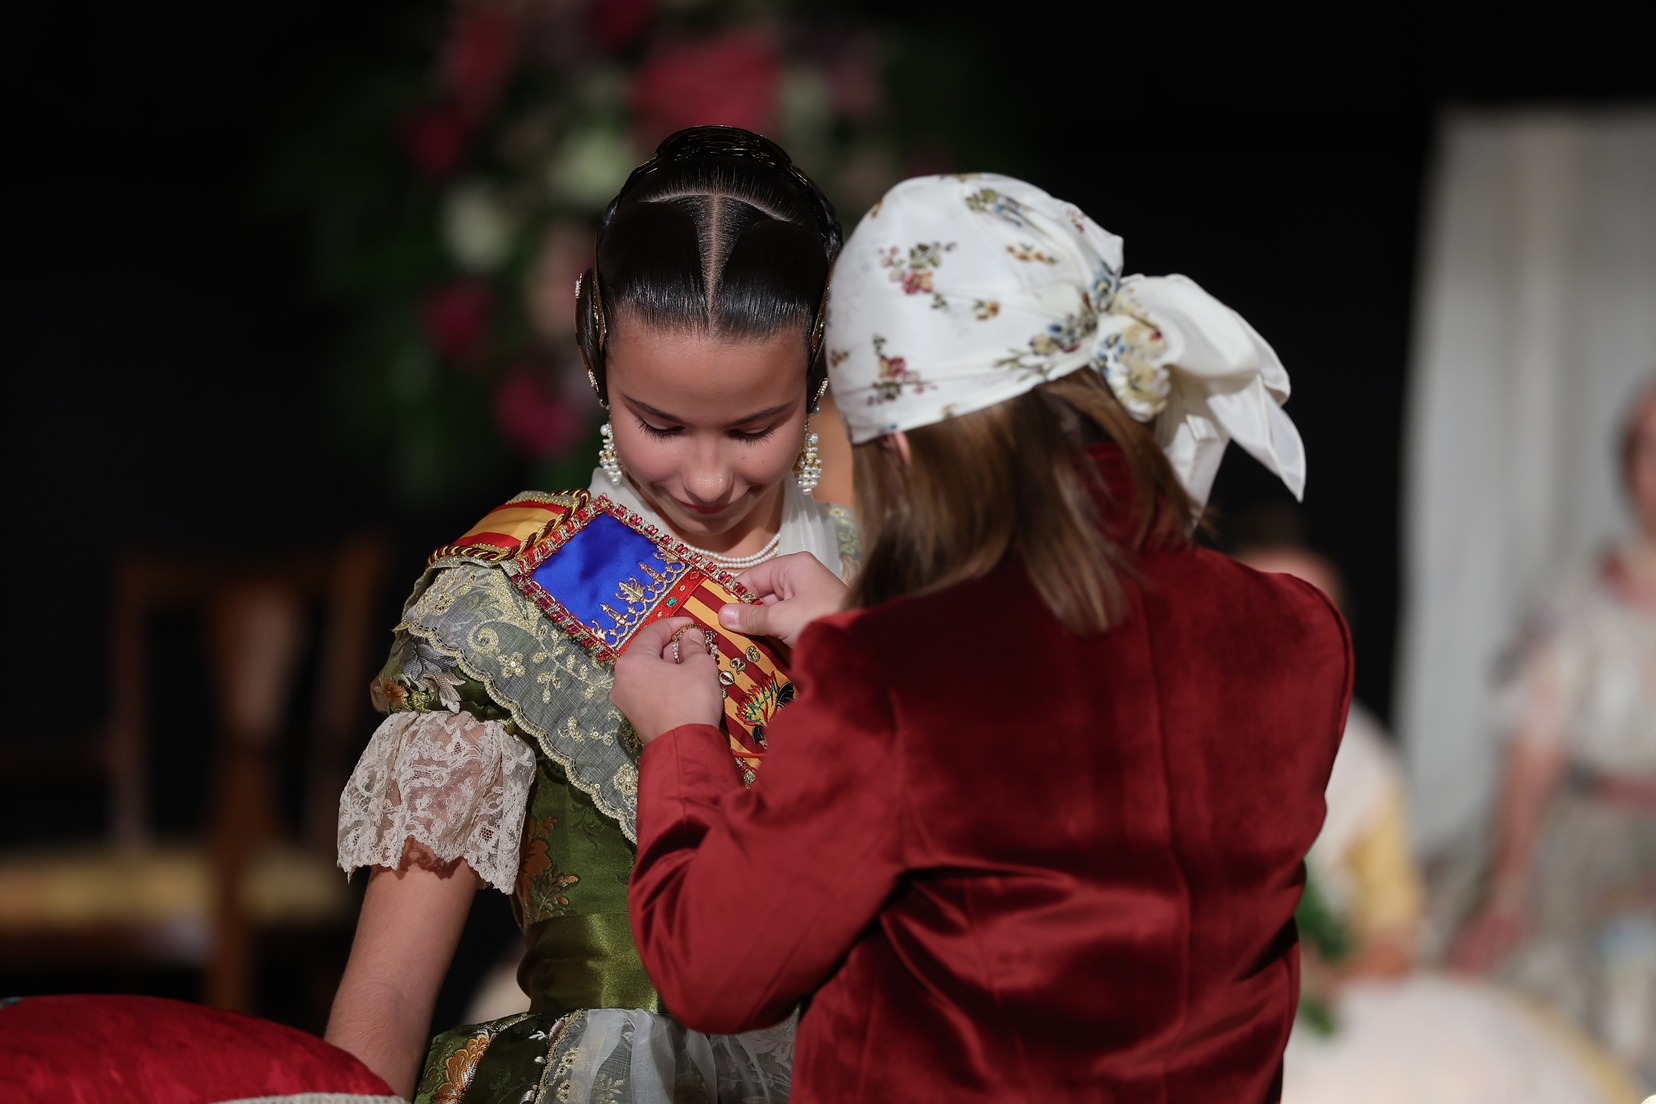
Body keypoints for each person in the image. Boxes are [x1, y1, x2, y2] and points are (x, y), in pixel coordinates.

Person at [610, 172, 1354, 1101]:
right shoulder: (1298, 634)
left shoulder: (900, 681)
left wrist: (684, 738)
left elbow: (714, 973)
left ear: (902, 446)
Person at [324, 125, 858, 1103]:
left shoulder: (894, 582)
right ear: (595, 353)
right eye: (660, 424)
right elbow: (391, 987)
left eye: (755, 427)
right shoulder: (516, 591)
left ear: (819, 369)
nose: (707, 477)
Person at [1224, 519, 1642, 1103]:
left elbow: (1394, 928)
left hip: (1327, 1001)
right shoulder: (1163, 748)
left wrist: (1324, 979)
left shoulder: (1362, 768)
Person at [1447, 374, 1656, 1091]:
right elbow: (1534, 755)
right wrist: (1509, 889)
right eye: (1651, 448)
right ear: (1628, 466)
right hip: (1593, 843)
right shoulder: (1577, 600)